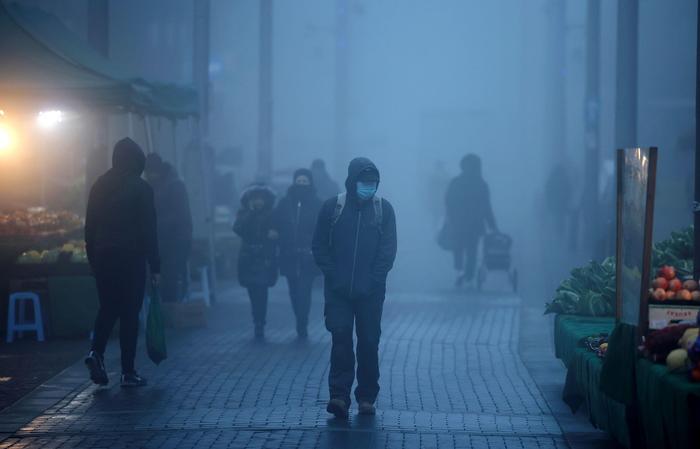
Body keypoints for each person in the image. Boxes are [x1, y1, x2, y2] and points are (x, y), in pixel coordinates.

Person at [312, 157, 397, 419]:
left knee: (369, 343)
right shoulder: (333, 207)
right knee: (340, 340)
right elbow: (319, 246)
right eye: (364, 182)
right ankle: (339, 396)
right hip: (338, 291)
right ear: (352, 181)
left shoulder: (383, 210)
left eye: (373, 183)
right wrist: (333, 275)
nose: (368, 187)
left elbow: (388, 250)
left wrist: (374, 279)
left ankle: (367, 397)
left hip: (370, 292)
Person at [84, 138, 159, 388]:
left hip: (104, 256)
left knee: (107, 308)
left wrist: (93, 259)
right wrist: (155, 265)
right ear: (137, 161)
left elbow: (90, 227)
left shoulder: (99, 185)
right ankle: (128, 372)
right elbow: (150, 230)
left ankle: (96, 353)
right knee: (129, 313)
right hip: (131, 258)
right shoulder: (141, 188)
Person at [273, 169, 322, 338]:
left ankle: (302, 322)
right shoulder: (285, 203)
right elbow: (276, 222)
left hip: (308, 255)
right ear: (294, 182)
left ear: (310, 183)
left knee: (304, 291)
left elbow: (322, 227)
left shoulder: (317, 203)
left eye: (304, 182)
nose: (301, 184)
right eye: (299, 181)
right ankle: (299, 318)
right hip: (289, 254)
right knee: (293, 290)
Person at [144, 155, 193, 303]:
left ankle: (172, 311)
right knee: (160, 278)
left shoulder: (175, 185)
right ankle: (167, 312)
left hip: (176, 241)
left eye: (150, 172)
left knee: (171, 277)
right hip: (162, 241)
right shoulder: (154, 185)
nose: (148, 175)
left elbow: (179, 215)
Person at [444, 154, 497, 286]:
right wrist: (493, 225)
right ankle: (469, 275)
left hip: (458, 223)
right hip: (475, 224)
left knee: (458, 248)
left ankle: (460, 272)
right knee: (472, 250)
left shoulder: (456, 182)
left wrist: (451, 217)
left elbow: (448, 202)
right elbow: (487, 207)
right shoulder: (481, 184)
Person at [233, 184, 278, 339]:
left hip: (264, 258)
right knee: (252, 291)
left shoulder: (272, 214)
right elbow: (238, 229)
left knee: (262, 291)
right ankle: (256, 320)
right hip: (248, 258)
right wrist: (250, 213)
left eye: (260, 198)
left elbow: (277, 233)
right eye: (255, 198)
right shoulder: (243, 213)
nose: (258, 201)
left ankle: (260, 323)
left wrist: (275, 236)